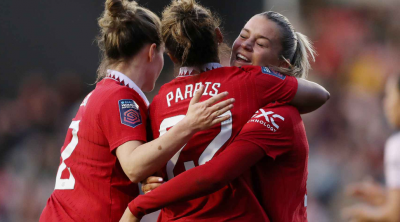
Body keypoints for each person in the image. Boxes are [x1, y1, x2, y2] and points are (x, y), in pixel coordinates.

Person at [121, 0, 328, 221]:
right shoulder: (251, 85)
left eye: (261, 43)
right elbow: (321, 94)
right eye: (244, 35)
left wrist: (148, 190)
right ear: (219, 37)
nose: (246, 45)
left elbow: (212, 173)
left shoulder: (158, 101)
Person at [39, 0, 235, 221]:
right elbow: (133, 166)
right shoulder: (120, 98)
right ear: (152, 52)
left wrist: (151, 176)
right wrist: (189, 124)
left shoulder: (104, 92)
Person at [342, 75, 400, 222]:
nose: (386, 103)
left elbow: (395, 216)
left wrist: (364, 215)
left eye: (389, 95)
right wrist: (384, 199)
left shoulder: (396, 145)